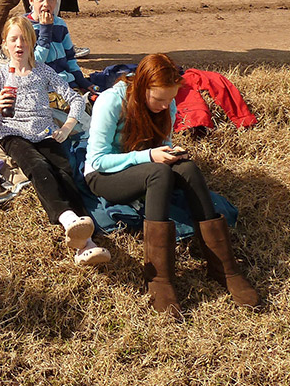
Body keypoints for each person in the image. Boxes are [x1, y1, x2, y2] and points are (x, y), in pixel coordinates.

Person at [85, 53, 259, 316]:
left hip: (146, 165)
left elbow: (161, 143)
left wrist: (168, 152)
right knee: (159, 175)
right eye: (159, 99)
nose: (167, 106)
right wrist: (149, 156)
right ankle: (159, 278)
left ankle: (223, 267)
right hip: (105, 176)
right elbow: (98, 160)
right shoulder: (112, 101)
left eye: (171, 99)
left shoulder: (167, 104)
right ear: (142, 87)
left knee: (187, 168)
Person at [0, 15, 109, 266]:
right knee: (38, 167)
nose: (19, 44)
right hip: (13, 133)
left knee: (66, 172)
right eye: (13, 39)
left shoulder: (43, 72)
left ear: (33, 43)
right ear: (4, 45)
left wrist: (67, 127)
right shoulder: (0, 77)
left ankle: (86, 243)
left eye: (24, 39)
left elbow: (75, 99)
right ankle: (70, 222)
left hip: (45, 133)